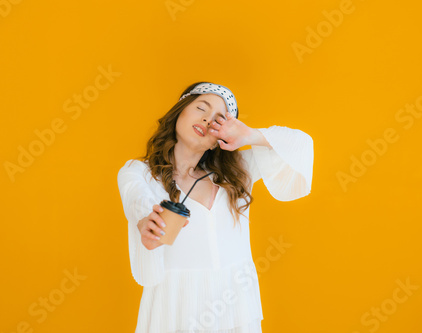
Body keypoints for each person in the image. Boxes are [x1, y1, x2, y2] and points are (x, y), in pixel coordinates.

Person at [117, 82, 314, 333]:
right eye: (201, 107)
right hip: (175, 312)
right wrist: (147, 224)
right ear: (179, 111)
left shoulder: (237, 173)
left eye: (219, 121)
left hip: (235, 309)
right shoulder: (140, 173)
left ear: (218, 140)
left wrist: (249, 135)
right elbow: (138, 203)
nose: (208, 120)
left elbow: (301, 146)